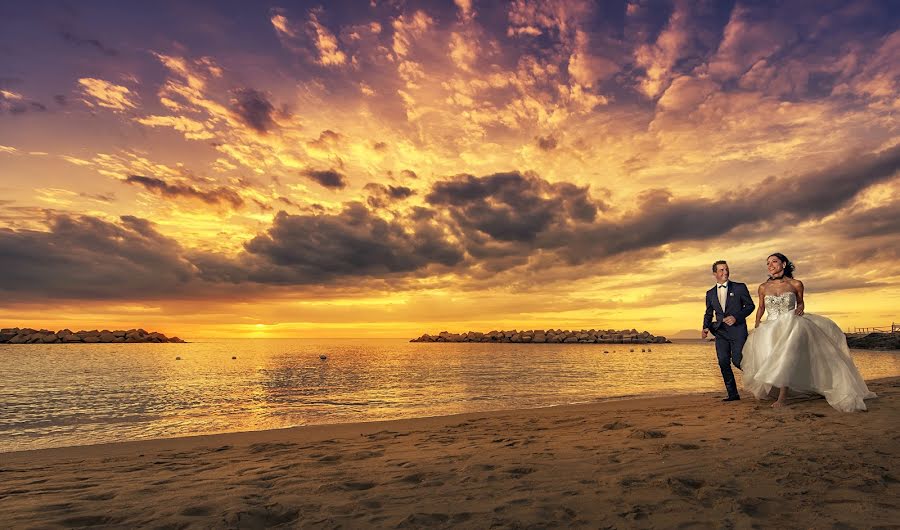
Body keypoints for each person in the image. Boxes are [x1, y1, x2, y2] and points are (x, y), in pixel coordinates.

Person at [741, 253, 876, 411]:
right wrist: (757, 324)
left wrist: (800, 308)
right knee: (770, 358)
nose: (770, 265)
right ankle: (779, 390)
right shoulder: (763, 287)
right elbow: (762, 307)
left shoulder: (796, 284)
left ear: (784, 264)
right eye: (768, 263)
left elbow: (800, 302)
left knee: (784, 357)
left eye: (774, 262)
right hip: (769, 327)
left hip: (790, 324)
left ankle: (782, 397)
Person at [702, 260, 755, 401]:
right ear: (715, 274)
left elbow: (750, 306)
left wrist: (736, 317)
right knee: (723, 361)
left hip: (738, 330)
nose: (725, 272)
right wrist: (705, 327)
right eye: (721, 270)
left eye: (726, 269)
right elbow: (708, 312)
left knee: (738, 361)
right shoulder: (710, 293)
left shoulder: (739, 287)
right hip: (721, 332)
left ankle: (760, 379)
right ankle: (733, 394)